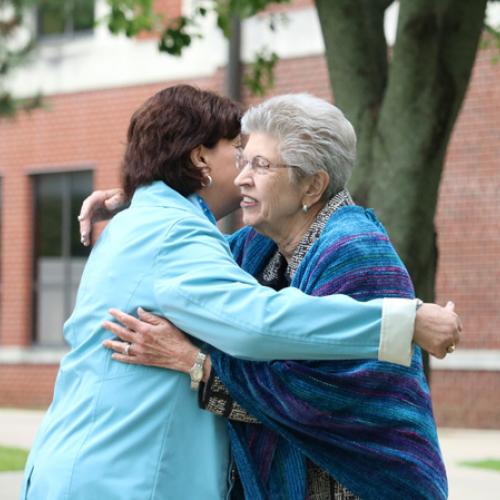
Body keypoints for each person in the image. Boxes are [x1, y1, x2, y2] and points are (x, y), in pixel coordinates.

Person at [21, 85, 460, 500]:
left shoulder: (353, 251)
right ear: (199, 161)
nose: (244, 176)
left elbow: (324, 398)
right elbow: (251, 316)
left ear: (312, 185)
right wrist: (152, 190)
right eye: (241, 159)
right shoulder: (234, 247)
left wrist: (193, 363)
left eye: (260, 165)